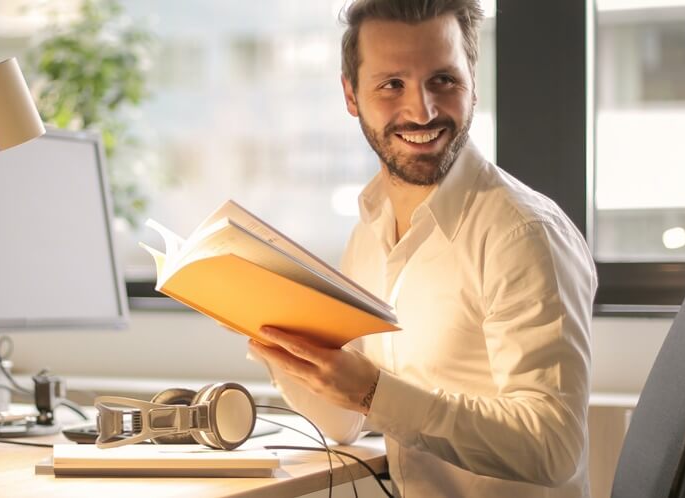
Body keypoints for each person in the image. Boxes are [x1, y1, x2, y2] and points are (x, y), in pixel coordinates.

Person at [248, 1, 597, 496]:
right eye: (392, 85)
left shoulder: (523, 233)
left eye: (443, 81)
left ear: (472, 82)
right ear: (351, 95)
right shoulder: (369, 232)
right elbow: (345, 422)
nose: (422, 110)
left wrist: (374, 391)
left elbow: (553, 447)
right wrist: (277, 342)